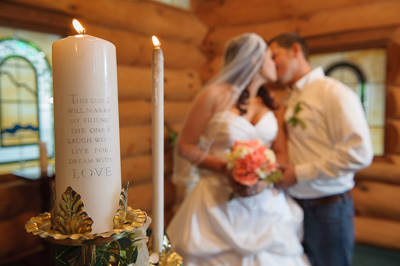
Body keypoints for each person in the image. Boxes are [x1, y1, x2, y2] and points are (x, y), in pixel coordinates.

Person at [167, 33, 309, 266]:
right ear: (254, 61)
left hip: (265, 201)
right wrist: (225, 168)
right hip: (217, 201)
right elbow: (185, 145)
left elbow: (281, 153)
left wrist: (263, 177)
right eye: (270, 57)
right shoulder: (213, 96)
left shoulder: (271, 104)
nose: (275, 63)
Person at [269, 33, 374, 266]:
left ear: (295, 50)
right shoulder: (290, 98)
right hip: (294, 205)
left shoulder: (333, 92)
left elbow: (359, 152)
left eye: (274, 55)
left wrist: (298, 173)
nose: (271, 63)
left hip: (328, 209)